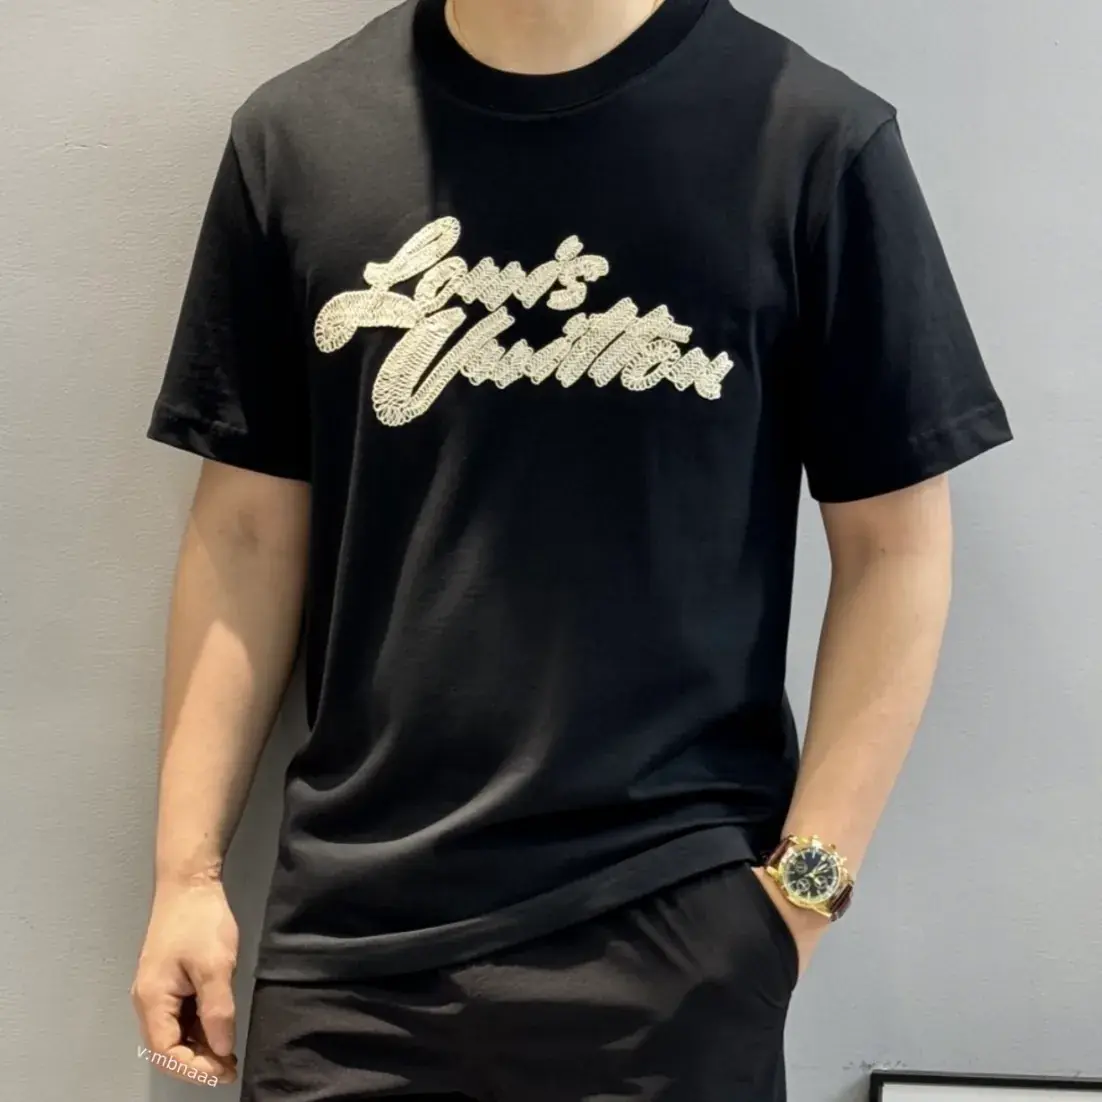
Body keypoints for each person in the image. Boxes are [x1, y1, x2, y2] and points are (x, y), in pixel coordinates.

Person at [131, 0, 1012, 1098]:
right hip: (350, 958)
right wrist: (186, 874)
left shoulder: (814, 142)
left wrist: (801, 896)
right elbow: (247, 533)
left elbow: (895, 546)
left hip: (673, 943)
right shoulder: (299, 136)